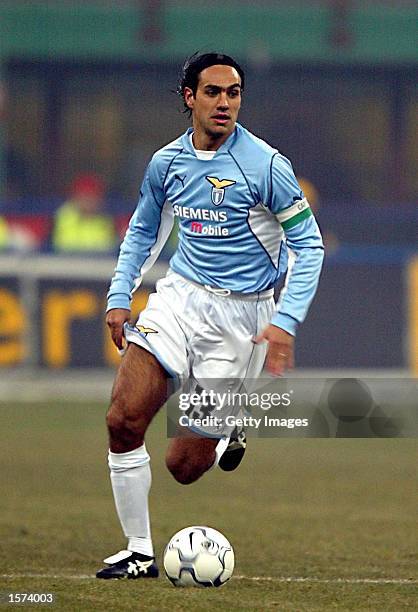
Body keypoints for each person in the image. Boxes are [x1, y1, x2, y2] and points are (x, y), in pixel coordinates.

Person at [97, 52, 324, 579]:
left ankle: (232, 424)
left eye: (235, 92)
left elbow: (307, 246)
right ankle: (138, 551)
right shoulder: (165, 164)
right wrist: (118, 295)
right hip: (178, 300)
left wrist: (285, 321)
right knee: (122, 418)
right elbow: (142, 233)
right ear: (190, 98)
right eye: (214, 92)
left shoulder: (267, 166)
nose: (226, 102)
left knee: (183, 468)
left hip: (241, 322)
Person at [52, 174, 117, 252]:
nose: (88, 201)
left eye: (92, 196)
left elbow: (109, 248)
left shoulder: (106, 221)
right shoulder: (61, 217)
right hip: (62, 262)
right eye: (84, 195)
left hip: (97, 263)